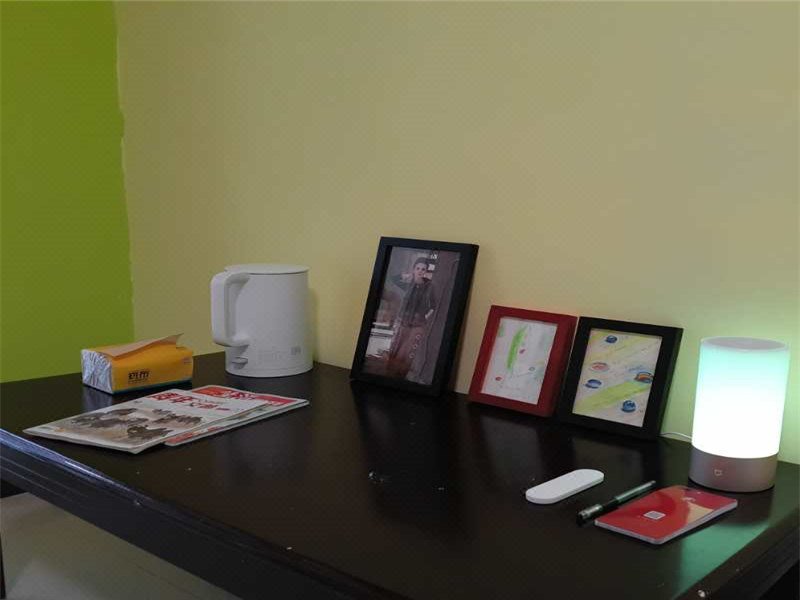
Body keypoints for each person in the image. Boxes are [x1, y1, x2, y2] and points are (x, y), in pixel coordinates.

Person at [385, 258, 436, 379]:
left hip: (418, 325)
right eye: (417, 268)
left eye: (423, 269)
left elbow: (433, 306)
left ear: (426, 271)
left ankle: (401, 376)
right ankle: (388, 375)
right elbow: (393, 279)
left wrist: (426, 316)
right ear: (413, 269)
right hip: (402, 321)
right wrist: (406, 275)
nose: (420, 271)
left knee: (408, 351)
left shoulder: (429, 286)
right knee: (395, 347)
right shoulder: (408, 285)